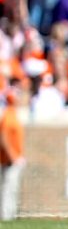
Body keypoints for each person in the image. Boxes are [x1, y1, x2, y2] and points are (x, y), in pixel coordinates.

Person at [0, 89, 24, 221]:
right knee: (8, 189)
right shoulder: (9, 115)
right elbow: (3, 137)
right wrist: (13, 156)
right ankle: (6, 216)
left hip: (10, 159)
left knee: (10, 189)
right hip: (9, 160)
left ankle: (9, 214)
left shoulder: (11, 114)